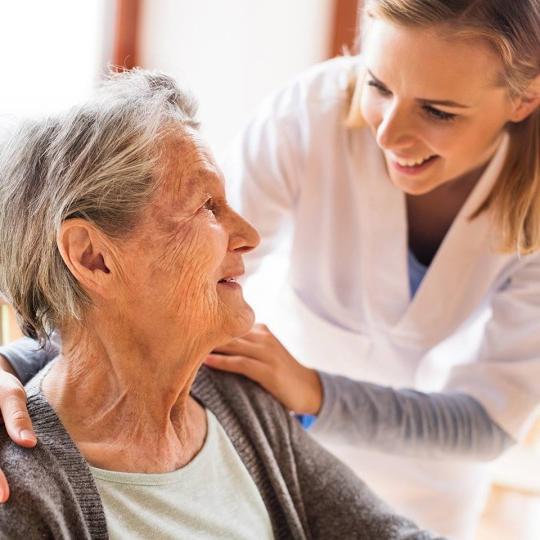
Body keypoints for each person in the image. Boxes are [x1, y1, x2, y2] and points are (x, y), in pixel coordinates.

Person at [0, 0, 538, 537]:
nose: (388, 134)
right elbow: (141, 281)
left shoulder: (241, 411)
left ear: (525, 98)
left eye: (439, 111)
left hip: (416, 479)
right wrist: (12, 362)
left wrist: (314, 393)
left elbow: (489, 420)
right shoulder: (313, 114)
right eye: (377, 85)